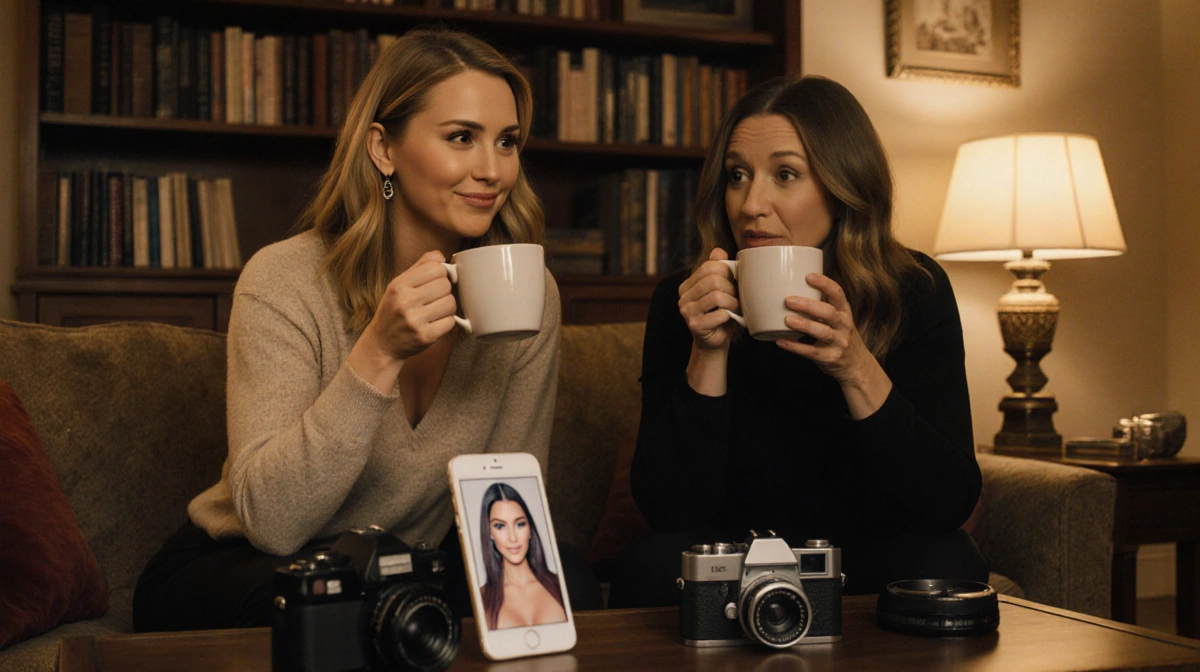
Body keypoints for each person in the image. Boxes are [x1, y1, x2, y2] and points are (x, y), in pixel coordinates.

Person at [132, 28, 600, 632]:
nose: (492, 170)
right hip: (247, 565)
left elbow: (505, 503)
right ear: (383, 148)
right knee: (338, 604)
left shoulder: (529, 291)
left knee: (569, 587)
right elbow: (272, 522)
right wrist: (378, 353)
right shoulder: (285, 279)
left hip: (406, 572)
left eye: (507, 142)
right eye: (462, 137)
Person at [608, 75, 988, 608]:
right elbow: (670, 513)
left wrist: (856, 366)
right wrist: (707, 352)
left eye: (785, 174)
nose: (750, 203)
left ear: (842, 186)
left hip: (866, 555)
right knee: (647, 568)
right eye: (738, 175)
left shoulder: (912, 289)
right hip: (736, 557)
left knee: (951, 563)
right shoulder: (685, 298)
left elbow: (947, 502)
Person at [478, 482, 567, 629]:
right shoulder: (483, 597)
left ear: (530, 529)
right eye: (500, 526)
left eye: (520, 524)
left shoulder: (558, 584)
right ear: (490, 534)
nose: (512, 538)